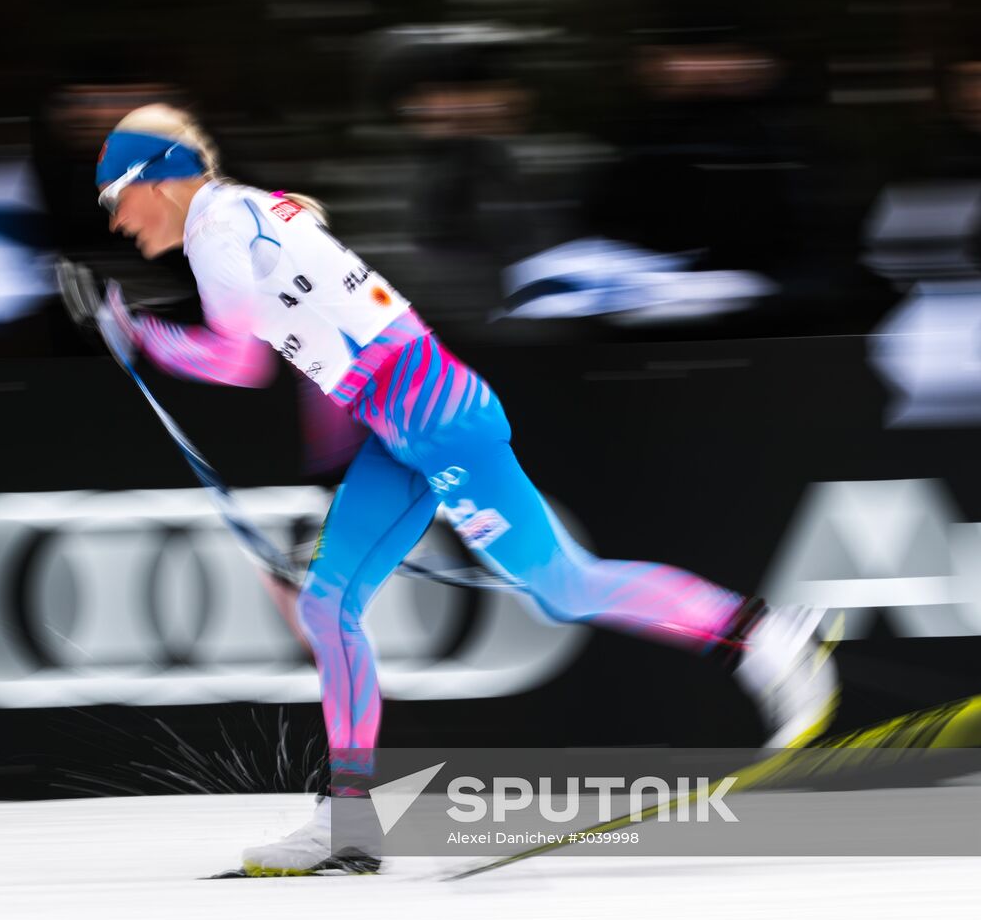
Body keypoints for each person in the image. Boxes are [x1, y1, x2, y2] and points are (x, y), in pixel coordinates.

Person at [90, 104, 839, 876]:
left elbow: (235, 362)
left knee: (563, 586)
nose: (116, 222)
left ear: (156, 182)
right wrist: (334, 477)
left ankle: (767, 636)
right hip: (400, 421)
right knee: (326, 601)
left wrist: (137, 334)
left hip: (433, 418)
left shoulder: (217, 231)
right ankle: (348, 819)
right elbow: (328, 349)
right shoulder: (243, 213)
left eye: (116, 199)